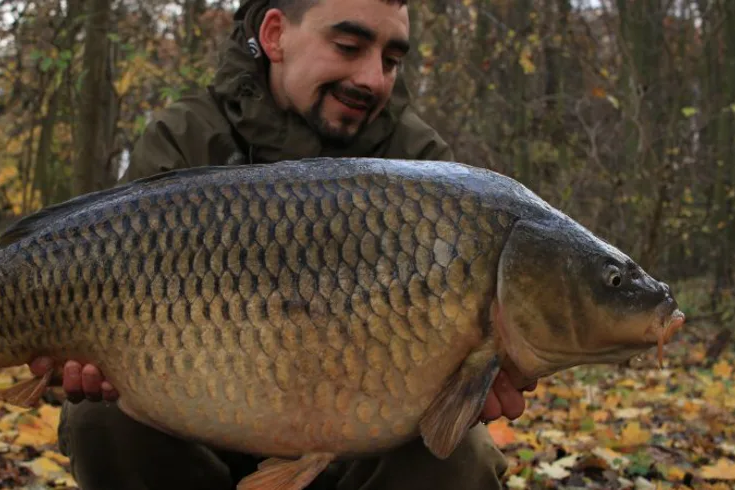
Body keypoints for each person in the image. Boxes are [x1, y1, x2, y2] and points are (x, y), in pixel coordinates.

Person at [28, 0, 536, 488]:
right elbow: (102, 285)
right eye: (348, 46)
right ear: (275, 36)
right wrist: (93, 357)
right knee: (98, 422)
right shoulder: (184, 139)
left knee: (462, 455)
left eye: (392, 59)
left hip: (363, 438)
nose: (373, 78)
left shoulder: (423, 166)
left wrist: (475, 376)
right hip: (194, 422)